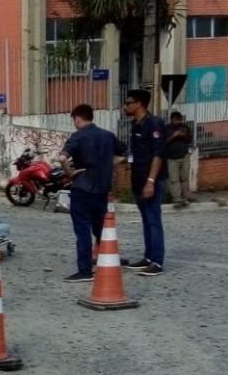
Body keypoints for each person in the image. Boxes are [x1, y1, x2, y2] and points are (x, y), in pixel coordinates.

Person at [58, 104, 126, 283]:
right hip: (102, 189)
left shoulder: (78, 137)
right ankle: (109, 258)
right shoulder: (108, 136)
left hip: (82, 188)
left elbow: (62, 158)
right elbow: (123, 155)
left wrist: (71, 173)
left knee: (82, 230)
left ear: (78, 119)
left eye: (74, 120)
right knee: (100, 229)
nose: (74, 124)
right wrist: (108, 165)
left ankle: (85, 270)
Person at [123, 89, 166, 276]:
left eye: (128, 102)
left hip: (151, 181)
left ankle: (157, 261)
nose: (126, 106)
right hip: (138, 179)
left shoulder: (154, 124)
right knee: (146, 220)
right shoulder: (136, 124)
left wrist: (150, 181)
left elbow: (158, 154)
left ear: (139, 104)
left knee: (153, 219)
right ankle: (148, 257)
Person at [165, 111, 195, 208]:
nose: (177, 122)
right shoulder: (167, 129)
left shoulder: (185, 127)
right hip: (172, 158)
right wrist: (174, 136)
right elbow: (163, 142)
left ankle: (186, 196)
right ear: (172, 120)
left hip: (184, 156)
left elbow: (190, 139)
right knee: (174, 179)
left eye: (179, 120)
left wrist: (183, 136)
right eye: (175, 120)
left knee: (184, 177)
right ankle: (177, 198)